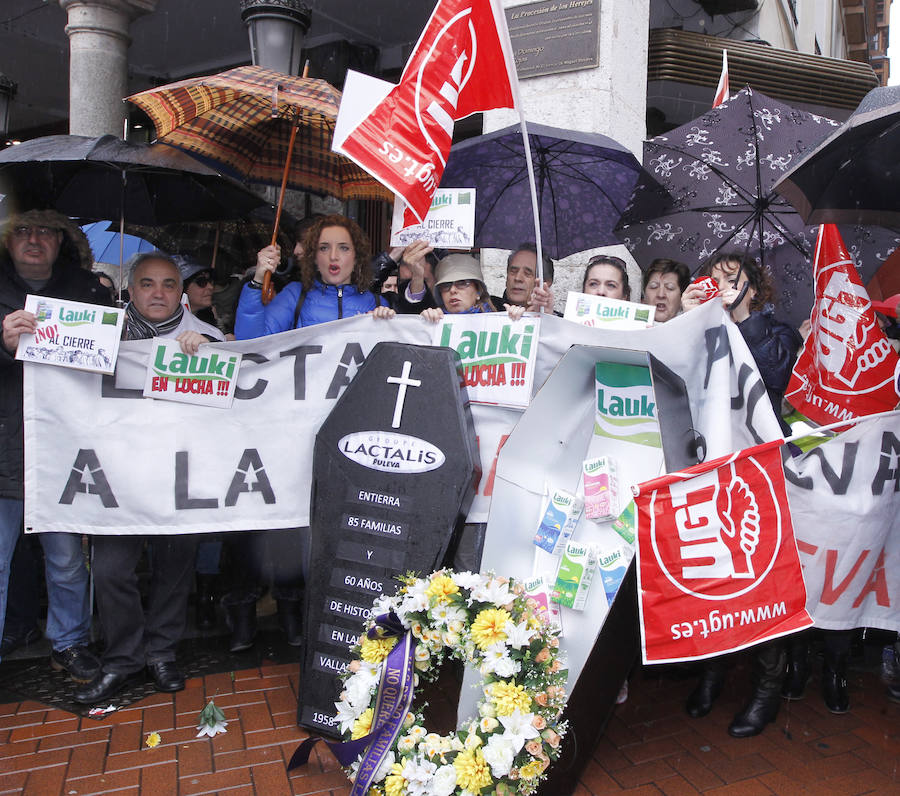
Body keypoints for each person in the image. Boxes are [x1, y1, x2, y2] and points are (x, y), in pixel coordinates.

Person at [74, 253, 225, 704]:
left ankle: (161, 652)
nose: (157, 293)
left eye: (167, 284)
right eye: (146, 284)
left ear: (181, 292)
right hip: (118, 478)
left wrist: (213, 356)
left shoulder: (209, 337)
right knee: (110, 570)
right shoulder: (99, 336)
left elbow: (236, 410)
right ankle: (123, 658)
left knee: (174, 571)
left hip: (180, 478)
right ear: (131, 291)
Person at [680, 252, 802, 737]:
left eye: (732, 279)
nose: (721, 286)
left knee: (761, 577)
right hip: (708, 465)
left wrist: (739, 317)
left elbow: (776, 374)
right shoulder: (700, 323)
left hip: (759, 474)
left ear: (755, 287)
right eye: (713, 278)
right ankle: (713, 670)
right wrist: (686, 317)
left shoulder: (779, 332)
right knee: (713, 572)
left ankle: (767, 689)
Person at [1, 209, 110, 682]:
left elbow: (111, 363)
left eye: (44, 231)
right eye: (22, 231)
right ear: (8, 240)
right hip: (5, 446)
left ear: (61, 240)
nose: (33, 239)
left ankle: (69, 643)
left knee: (66, 559)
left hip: (65, 450)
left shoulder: (87, 291)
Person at [235, 214, 388, 337]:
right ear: (314, 256)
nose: (333, 256)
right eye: (324, 248)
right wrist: (258, 280)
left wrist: (385, 325)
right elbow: (250, 342)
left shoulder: (377, 303)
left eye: (344, 248)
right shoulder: (295, 295)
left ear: (357, 257)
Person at [421, 253, 525, 322]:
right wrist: (424, 324)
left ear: (478, 291)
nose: (452, 290)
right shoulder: (433, 321)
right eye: (446, 285)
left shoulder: (500, 318)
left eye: (462, 283)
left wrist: (517, 320)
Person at [489, 243, 556, 314]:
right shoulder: (487, 308)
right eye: (513, 271)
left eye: (527, 273)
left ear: (546, 283)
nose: (517, 278)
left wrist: (546, 320)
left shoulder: (559, 322)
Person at [642, 258, 689, 323]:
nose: (660, 294)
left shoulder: (692, 327)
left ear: (682, 297)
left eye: (670, 288)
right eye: (654, 287)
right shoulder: (629, 328)